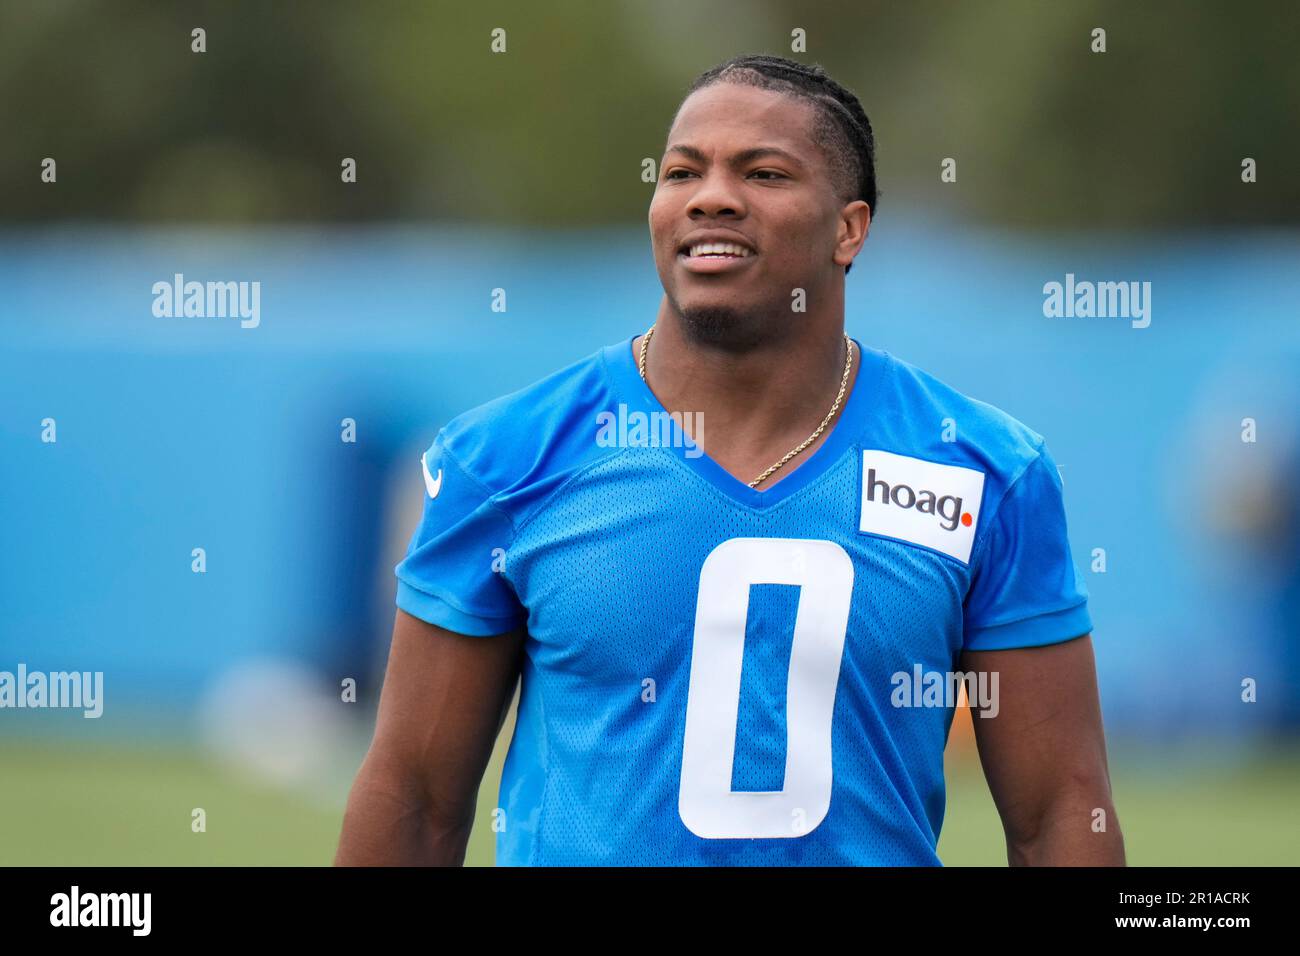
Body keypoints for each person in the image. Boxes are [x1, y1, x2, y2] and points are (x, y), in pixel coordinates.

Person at [335, 54, 1124, 866]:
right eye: (682, 171)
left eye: (765, 172)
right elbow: (414, 797)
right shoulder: (508, 459)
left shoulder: (984, 472)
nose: (710, 196)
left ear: (848, 229)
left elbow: (1060, 813)